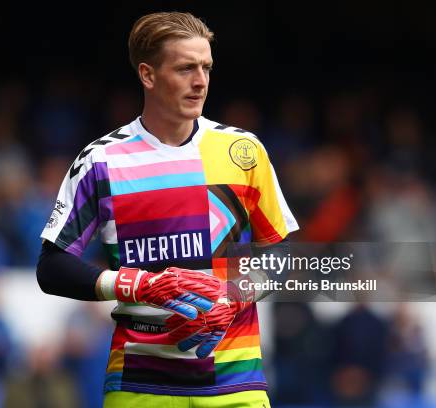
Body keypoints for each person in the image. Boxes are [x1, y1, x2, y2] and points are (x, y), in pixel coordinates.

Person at [36, 11, 298, 408]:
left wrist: (234, 295)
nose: (201, 82)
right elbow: (52, 267)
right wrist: (139, 285)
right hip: (140, 384)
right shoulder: (101, 160)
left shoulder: (244, 152)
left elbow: (281, 253)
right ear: (148, 75)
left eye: (206, 67)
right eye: (185, 68)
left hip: (236, 383)